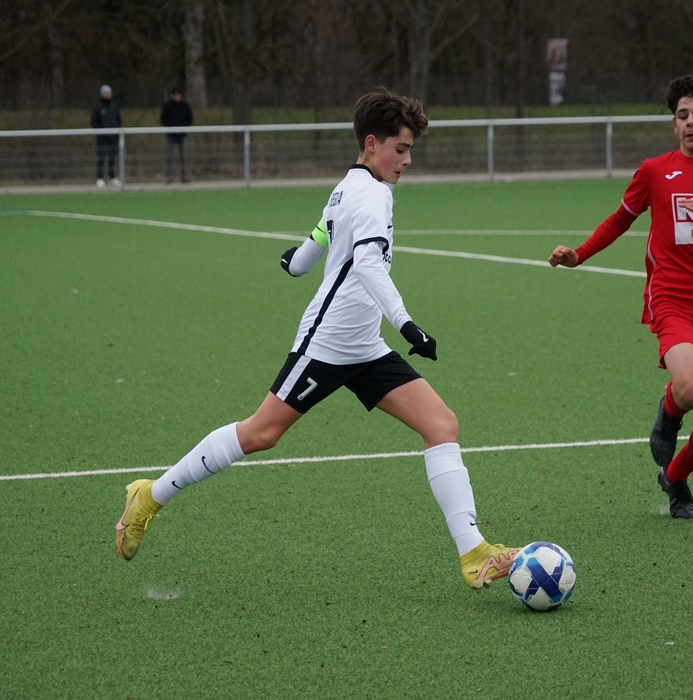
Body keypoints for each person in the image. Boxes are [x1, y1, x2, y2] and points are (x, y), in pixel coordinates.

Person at [115, 86, 518, 589]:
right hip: (326, 344)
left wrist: (295, 263)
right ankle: (149, 496)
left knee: (441, 425)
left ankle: (474, 554)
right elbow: (366, 262)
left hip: (365, 347)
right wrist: (407, 323)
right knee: (260, 434)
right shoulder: (372, 194)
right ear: (372, 143)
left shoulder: (348, 185)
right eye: (401, 148)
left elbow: (315, 244)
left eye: (411, 149)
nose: (408, 160)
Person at [548, 74, 693, 519]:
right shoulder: (655, 171)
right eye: (682, 115)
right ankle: (669, 413)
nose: (690, 122)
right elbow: (619, 219)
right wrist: (579, 255)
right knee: (692, 387)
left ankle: (675, 476)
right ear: (673, 124)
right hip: (672, 299)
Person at [160, 87, 193, 183]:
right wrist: (169, 127)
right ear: (173, 96)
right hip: (171, 135)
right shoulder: (167, 106)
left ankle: (184, 176)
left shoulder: (185, 105)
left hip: (182, 135)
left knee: (184, 157)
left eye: (179, 95)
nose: (177, 97)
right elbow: (163, 118)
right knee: (169, 157)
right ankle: (169, 177)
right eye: (176, 95)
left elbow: (189, 118)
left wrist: (185, 128)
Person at [91, 84, 122, 187]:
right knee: (101, 158)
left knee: (112, 158)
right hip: (102, 138)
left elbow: (118, 119)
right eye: (107, 93)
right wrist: (101, 131)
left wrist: (117, 130)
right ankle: (100, 178)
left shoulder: (114, 106)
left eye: (110, 93)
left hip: (113, 137)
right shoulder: (97, 106)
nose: (109, 95)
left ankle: (112, 178)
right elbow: (94, 121)